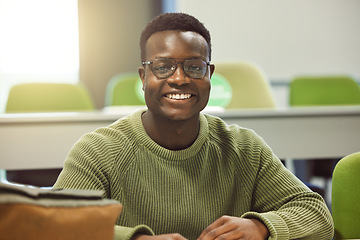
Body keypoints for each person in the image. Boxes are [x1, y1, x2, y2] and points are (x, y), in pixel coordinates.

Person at [54, 12, 334, 240]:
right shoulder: (97, 150)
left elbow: (316, 214)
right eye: (163, 66)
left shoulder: (244, 148)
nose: (179, 79)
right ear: (143, 76)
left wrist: (261, 227)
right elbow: (54, 224)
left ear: (209, 74)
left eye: (194, 67)